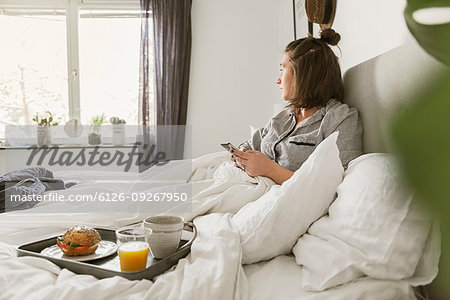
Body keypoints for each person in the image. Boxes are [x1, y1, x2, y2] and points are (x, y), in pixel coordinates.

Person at [232, 29, 362, 185]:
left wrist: (269, 169)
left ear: (304, 73)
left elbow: (338, 182)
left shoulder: (339, 119)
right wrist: (241, 156)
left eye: (283, 70)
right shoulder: (283, 118)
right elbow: (249, 144)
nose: (278, 80)